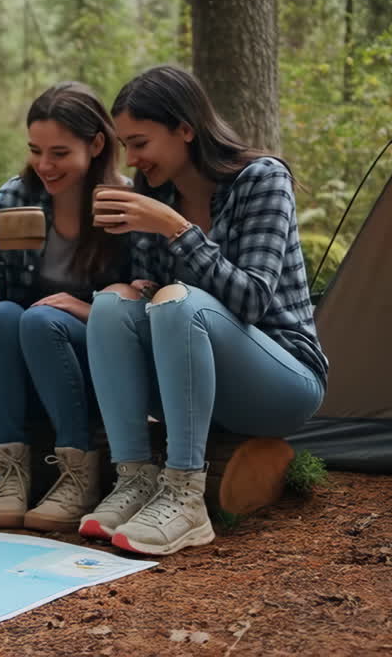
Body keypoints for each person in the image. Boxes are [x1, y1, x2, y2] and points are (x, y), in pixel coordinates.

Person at [81, 66, 328, 555]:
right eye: (125, 145)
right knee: (112, 302)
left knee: (179, 302)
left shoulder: (262, 180)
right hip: (195, 378)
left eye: (140, 142)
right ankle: (133, 479)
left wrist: (175, 229)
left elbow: (251, 300)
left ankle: (186, 497)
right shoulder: (154, 196)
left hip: (283, 378)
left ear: (185, 130)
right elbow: (151, 291)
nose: (131, 158)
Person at [0, 82, 128, 532]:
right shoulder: (16, 197)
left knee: (39, 319)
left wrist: (87, 308)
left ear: (95, 145)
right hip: (29, 362)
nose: (44, 165)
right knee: (2, 316)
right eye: (36, 151)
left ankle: (79, 473)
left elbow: (148, 302)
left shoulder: (123, 203)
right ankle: (10, 471)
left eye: (59, 153)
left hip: (97, 358)